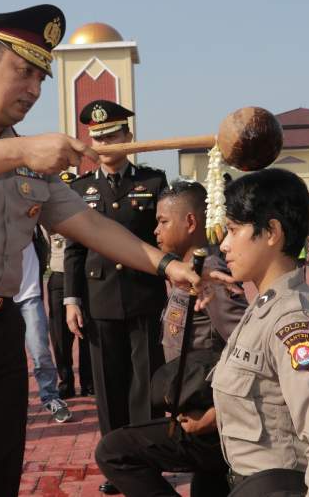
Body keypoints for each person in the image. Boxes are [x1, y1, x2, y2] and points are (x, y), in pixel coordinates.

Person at [0, 5, 200, 497]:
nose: (34, 89)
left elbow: (88, 223)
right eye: (23, 72)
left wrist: (167, 264)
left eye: (42, 78)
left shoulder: (30, 158)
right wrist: (20, 151)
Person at [207, 168, 309, 496]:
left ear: (272, 232)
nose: (224, 244)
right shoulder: (265, 305)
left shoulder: (293, 320)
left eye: (234, 230)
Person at [96, 181, 248, 497]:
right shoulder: (189, 271)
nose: (156, 231)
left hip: (210, 422)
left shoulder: (210, 275)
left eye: (163, 221)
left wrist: (216, 415)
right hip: (196, 411)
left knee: (115, 451)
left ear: (190, 222)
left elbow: (252, 352)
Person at [64, 99, 169, 495]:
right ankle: (116, 464)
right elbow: (74, 249)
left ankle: (146, 462)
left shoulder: (153, 183)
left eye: (113, 136)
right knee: (108, 385)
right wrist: (71, 300)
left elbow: (164, 237)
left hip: (144, 295)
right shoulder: (79, 188)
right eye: (99, 139)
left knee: (146, 383)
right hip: (99, 297)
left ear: (128, 136)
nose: (106, 145)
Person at [14, 230, 72, 423]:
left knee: (40, 352)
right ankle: (12, 401)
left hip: (30, 297)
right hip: (2, 300)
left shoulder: (33, 224)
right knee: (7, 357)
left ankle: (51, 397)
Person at [48, 171, 92, 398]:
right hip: (58, 276)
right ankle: (66, 382)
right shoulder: (49, 213)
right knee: (60, 336)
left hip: (81, 277)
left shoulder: (82, 213)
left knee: (85, 332)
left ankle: (88, 382)